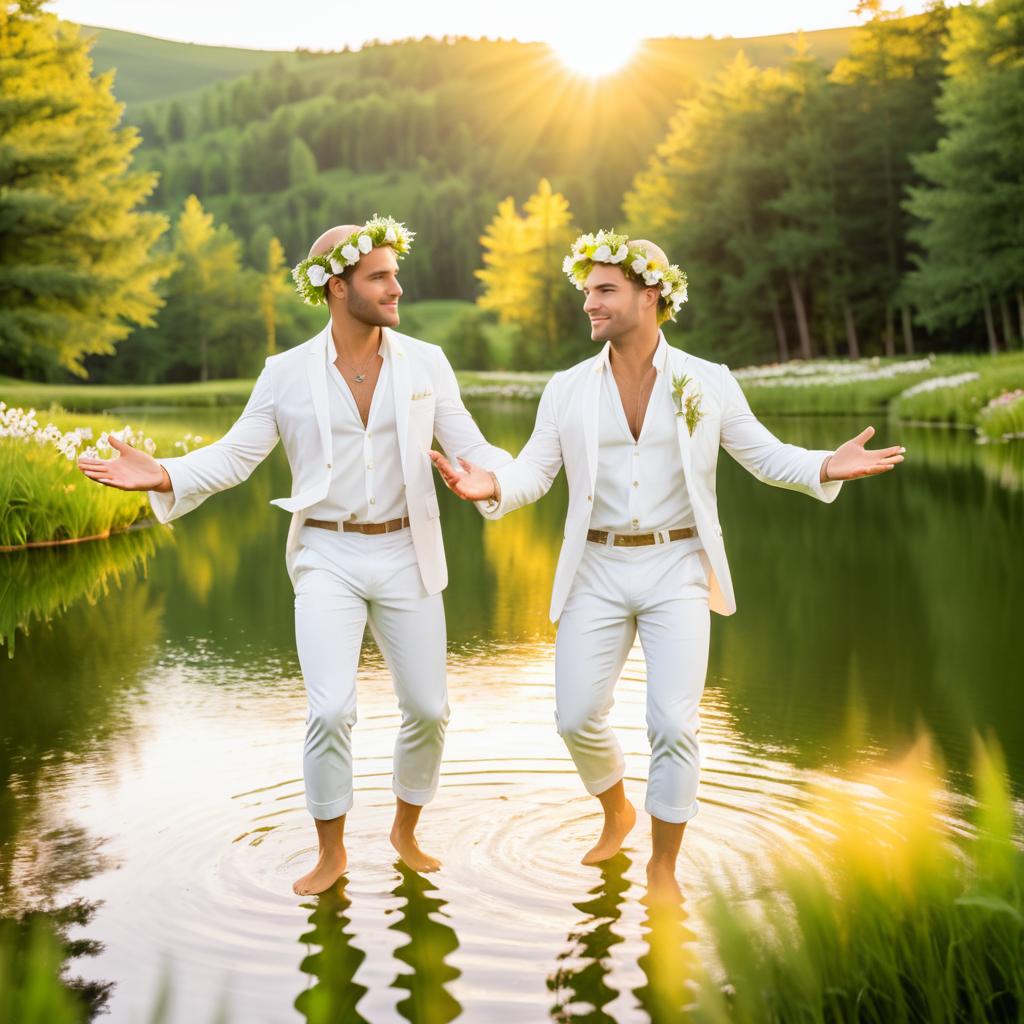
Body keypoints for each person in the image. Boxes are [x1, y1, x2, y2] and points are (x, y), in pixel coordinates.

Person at [428, 230, 905, 901]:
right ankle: (618, 809)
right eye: (587, 290)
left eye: (604, 291)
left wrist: (827, 464)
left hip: (678, 566)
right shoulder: (565, 390)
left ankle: (662, 869)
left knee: (674, 723)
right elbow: (534, 472)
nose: (589, 303)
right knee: (573, 718)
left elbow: (765, 457)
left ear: (650, 294)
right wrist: (494, 487)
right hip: (593, 569)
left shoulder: (706, 382)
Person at [79, 216, 511, 895]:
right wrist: (163, 472)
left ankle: (405, 830)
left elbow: (473, 445)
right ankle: (331, 852)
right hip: (326, 556)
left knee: (428, 708)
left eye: (395, 273)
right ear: (337, 287)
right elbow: (235, 455)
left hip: (408, 550)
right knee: (331, 708)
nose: (398, 287)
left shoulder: (426, 364)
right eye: (380, 277)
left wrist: (493, 477)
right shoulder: (285, 374)